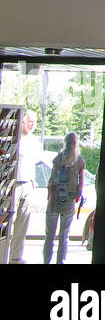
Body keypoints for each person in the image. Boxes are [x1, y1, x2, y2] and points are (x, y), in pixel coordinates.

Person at [43, 132, 85, 265]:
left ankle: (58, 261)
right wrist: (50, 195)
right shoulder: (60, 159)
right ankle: (48, 261)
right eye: (69, 142)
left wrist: (77, 195)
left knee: (62, 235)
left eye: (73, 143)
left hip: (66, 200)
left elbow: (81, 182)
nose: (71, 145)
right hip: (56, 199)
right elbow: (52, 178)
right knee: (52, 235)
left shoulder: (78, 161)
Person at [6, 111, 41, 263]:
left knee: (23, 221)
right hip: (15, 184)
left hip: (28, 183)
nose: (32, 124)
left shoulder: (35, 141)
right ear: (23, 121)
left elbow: (36, 161)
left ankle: (16, 256)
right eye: (30, 121)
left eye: (34, 121)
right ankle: (4, 252)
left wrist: (33, 182)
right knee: (10, 220)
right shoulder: (16, 139)